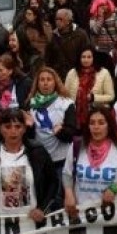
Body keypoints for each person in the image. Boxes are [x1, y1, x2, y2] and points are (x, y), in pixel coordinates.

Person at [0, 108, 59, 223]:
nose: (13, 131)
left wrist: (41, 209)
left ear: (24, 128)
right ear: (1, 129)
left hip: (31, 221)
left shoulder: (38, 152)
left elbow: (53, 182)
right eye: (8, 127)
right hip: (0, 221)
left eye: (18, 126)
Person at [64, 105, 117, 211]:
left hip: (112, 213)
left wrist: (114, 189)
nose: (96, 127)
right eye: (92, 123)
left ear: (109, 126)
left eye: (101, 123)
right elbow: (67, 174)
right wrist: (68, 194)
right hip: (82, 212)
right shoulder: (77, 146)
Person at [25, 67, 77, 195]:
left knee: (59, 197)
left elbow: (71, 134)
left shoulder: (66, 103)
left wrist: (60, 131)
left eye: (49, 79)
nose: (45, 83)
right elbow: (28, 138)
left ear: (55, 82)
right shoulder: (30, 104)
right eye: (42, 80)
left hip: (61, 160)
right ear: (37, 83)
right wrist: (29, 127)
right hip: (40, 160)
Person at [64, 46, 115, 126]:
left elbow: (111, 96)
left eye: (89, 57)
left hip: (97, 115)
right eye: (83, 57)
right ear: (79, 58)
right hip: (74, 115)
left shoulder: (104, 73)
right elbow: (65, 95)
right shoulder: (72, 73)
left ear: (93, 58)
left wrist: (94, 98)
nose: (86, 60)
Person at [45, 8, 92, 80]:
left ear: (68, 21)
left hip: (76, 75)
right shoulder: (53, 36)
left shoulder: (80, 35)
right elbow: (48, 58)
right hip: (58, 76)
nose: (57, 22)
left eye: (60, 19)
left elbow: (87, 55)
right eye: (56, 19)